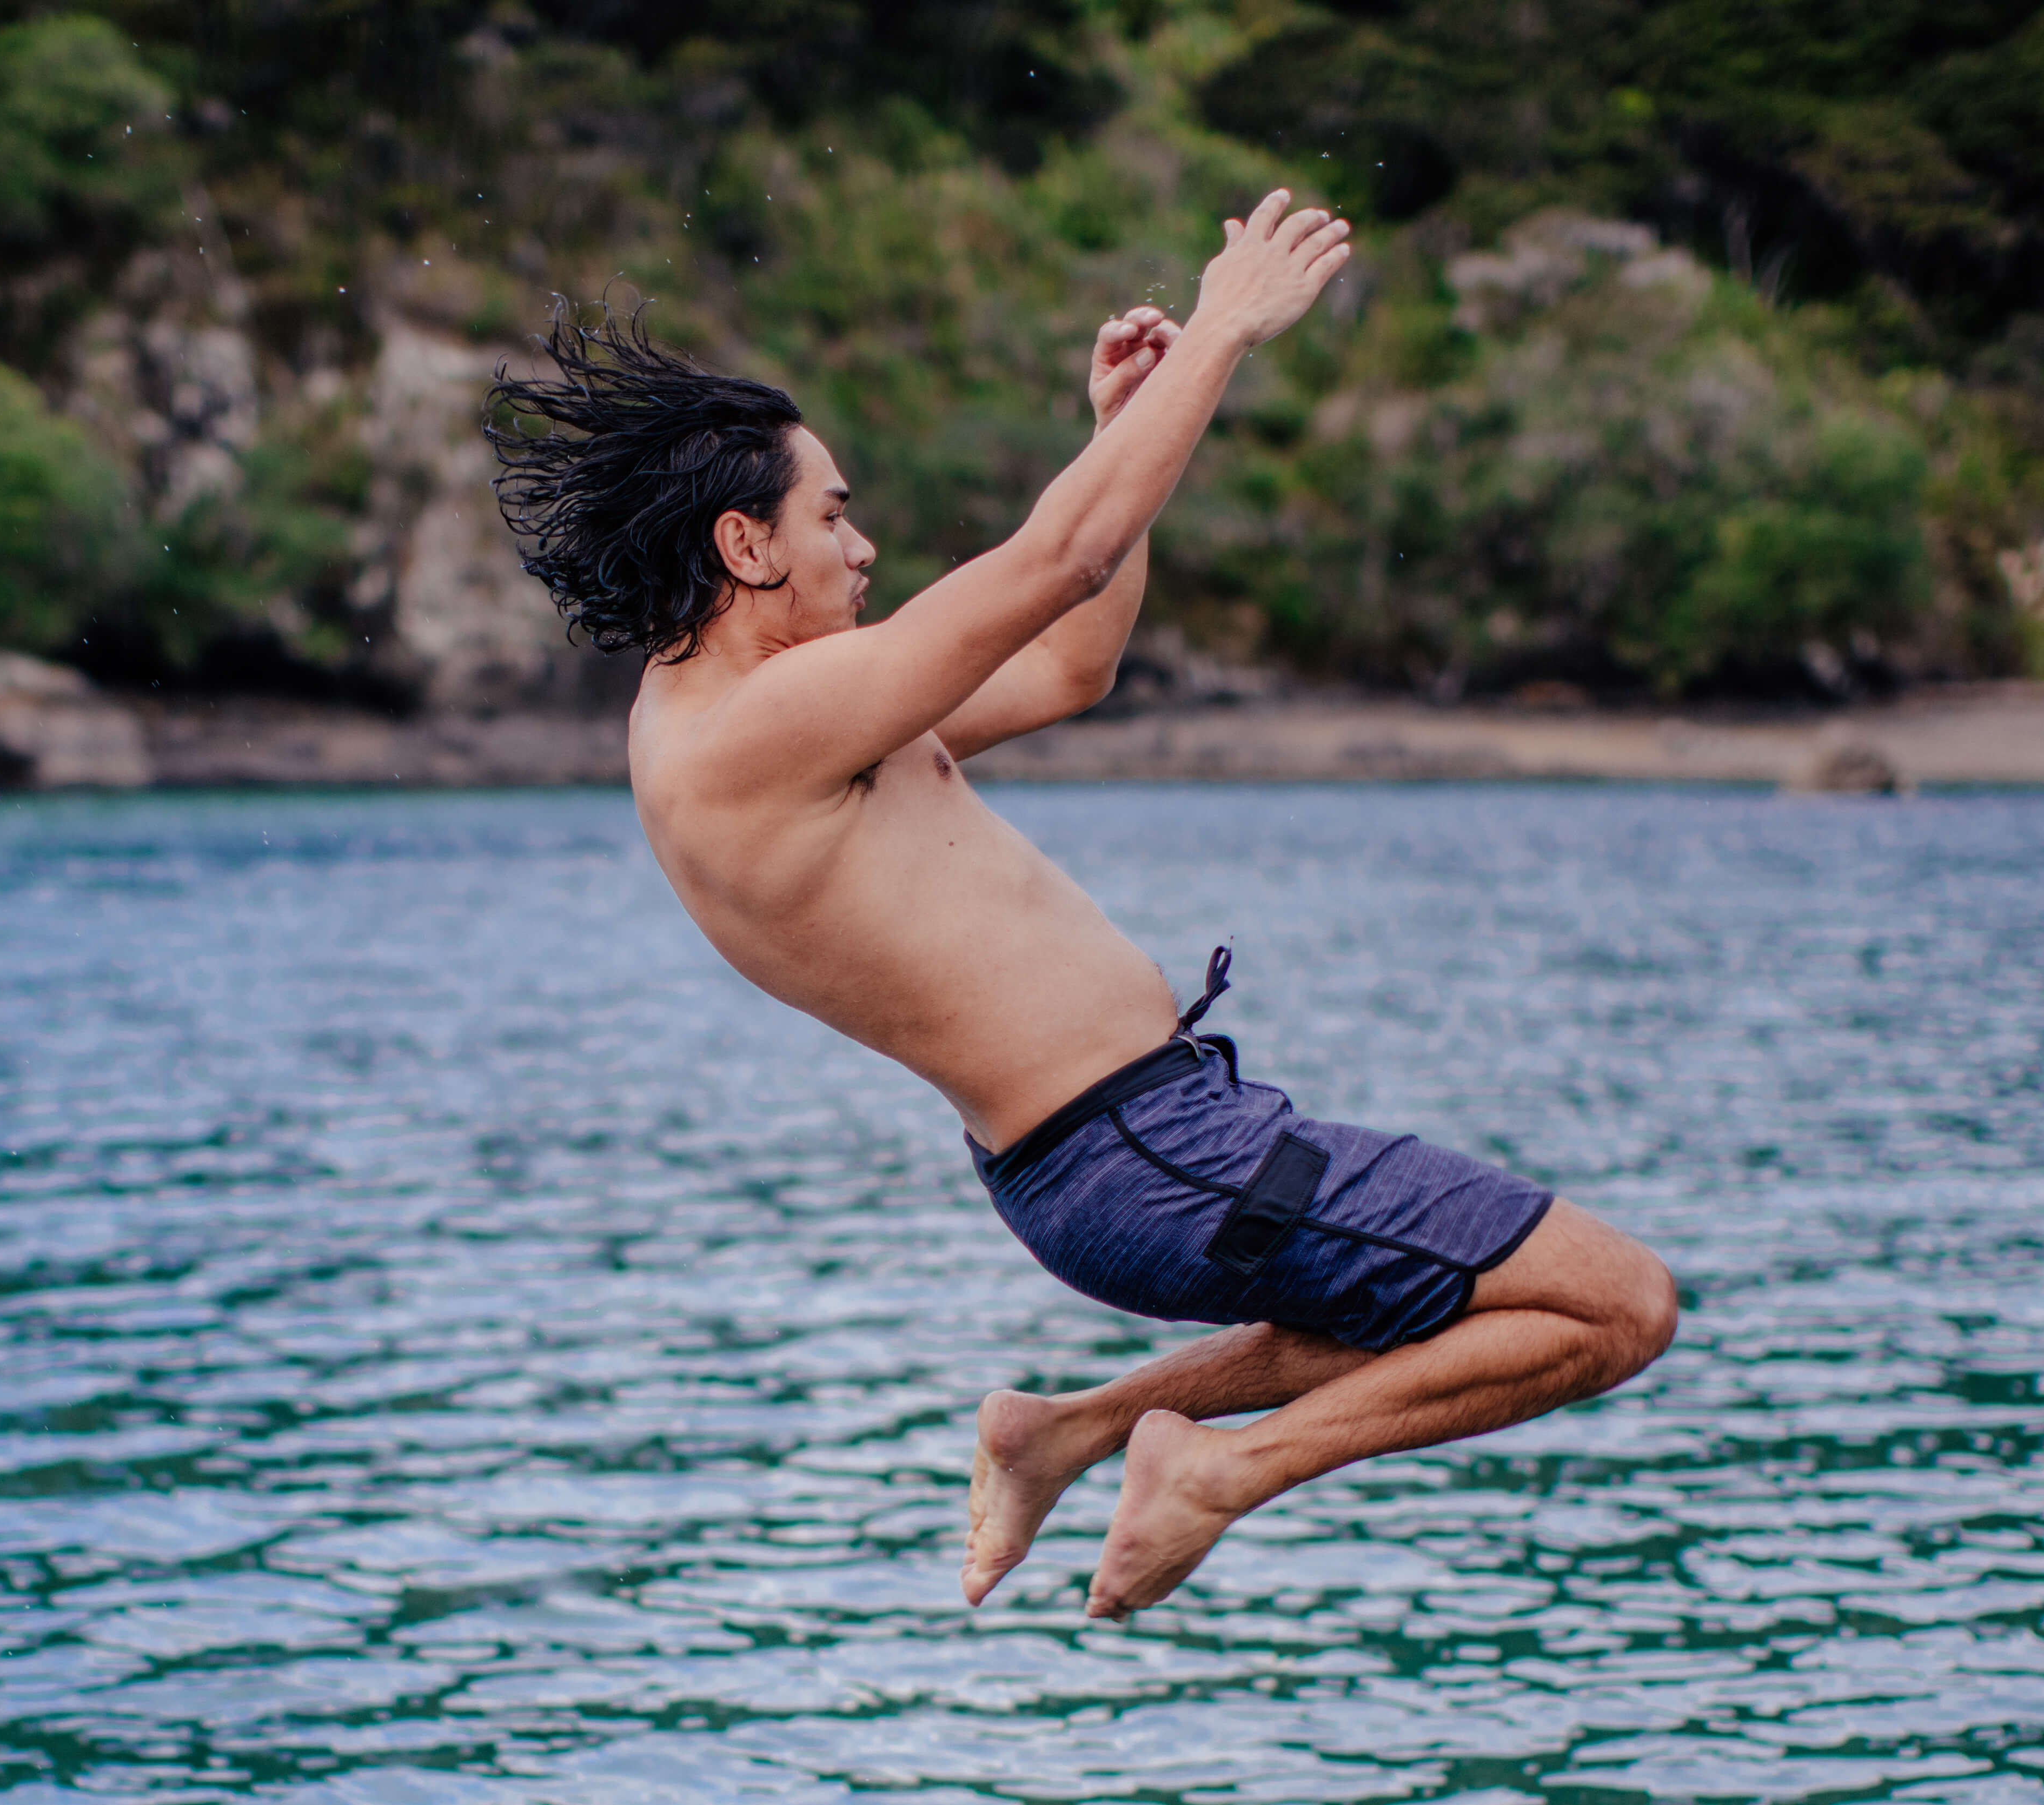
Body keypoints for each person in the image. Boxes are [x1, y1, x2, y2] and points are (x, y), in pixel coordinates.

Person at [484, 191, 1676, 1620]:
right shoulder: (751, 732)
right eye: (833, 516)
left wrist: (1119, 434)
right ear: (746, 547)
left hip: (1136, 1152)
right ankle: (1214, 1474)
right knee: (1616, 1305)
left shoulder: (775, 716)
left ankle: (1066, 1429)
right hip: (1140, 1152)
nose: (860, 550)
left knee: (1454, 1305)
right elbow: (1058, 562)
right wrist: (1219, 332)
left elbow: (1066, 665)